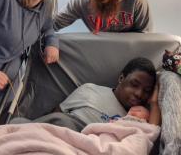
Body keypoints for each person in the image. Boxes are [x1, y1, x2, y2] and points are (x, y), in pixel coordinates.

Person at [11, 57, 157, 132]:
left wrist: (154, 102)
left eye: (146, 90)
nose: (139, 94)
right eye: (134, 84)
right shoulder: (90, 90)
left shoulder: (137, 117)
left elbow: (148, 135)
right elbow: (57, 113)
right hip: (64, 127)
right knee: (16, 124)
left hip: (89, 142)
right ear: (121, 78)